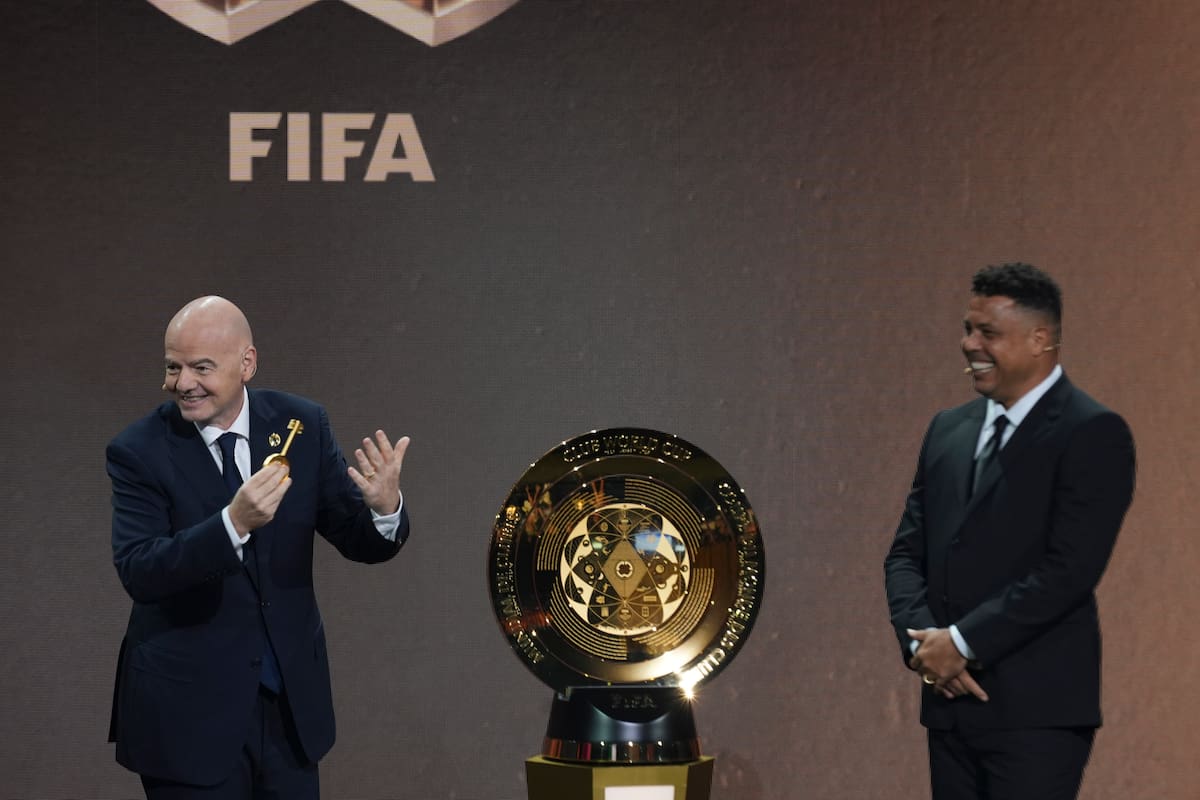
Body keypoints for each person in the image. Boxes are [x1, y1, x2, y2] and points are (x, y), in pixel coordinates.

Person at [107, 296, 411, 799]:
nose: (184, 383)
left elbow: (357, 539)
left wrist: (384, 508)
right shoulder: (138, 451)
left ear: (247, 363)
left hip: (289, 711)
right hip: (189, 717)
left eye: (201, 367)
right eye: (173, 367)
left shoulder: (302, 424)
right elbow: (140, 570)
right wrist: (231, 524)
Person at [883, 263, 1135, 800]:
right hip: (950, 708)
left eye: (987, 333)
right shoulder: (948, 429)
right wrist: (926, 646)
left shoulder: (1091, 433)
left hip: (1035, 713)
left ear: (1041, 339)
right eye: (968, 329)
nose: (968, 344)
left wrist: (963, 643)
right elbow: (906, 554)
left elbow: (1068, 571)